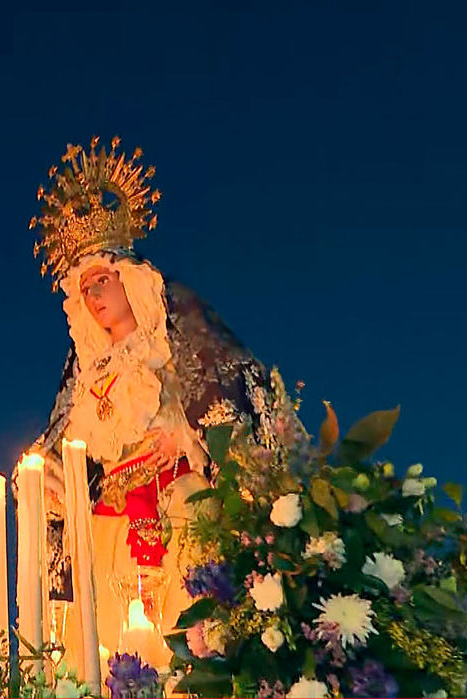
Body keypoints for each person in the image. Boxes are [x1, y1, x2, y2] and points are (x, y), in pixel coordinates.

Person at [23, 137, 279, 669]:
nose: (94, 298)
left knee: (181, 644)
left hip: (175, 509)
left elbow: (221, 404)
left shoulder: (172, 343)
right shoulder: (87, 370)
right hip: (109, 523)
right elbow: (69, 450)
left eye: (102, 281)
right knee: (101, 650)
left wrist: (185, 437)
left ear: (130, 280)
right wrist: (48, 475)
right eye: (85, 289)